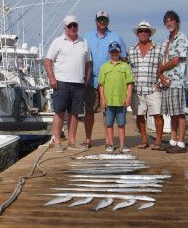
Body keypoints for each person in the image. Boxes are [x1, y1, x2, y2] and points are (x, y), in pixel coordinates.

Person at [44, 15, 91, 152]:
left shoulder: (84, 42)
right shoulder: (58, 42)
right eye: (70, 26)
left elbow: (88, 63)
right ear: (64, 27)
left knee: (74, 113)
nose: (72, 28)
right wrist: (52, 79)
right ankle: (57, 141)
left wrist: (86, 80)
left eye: (74, 25)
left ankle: (71, 141)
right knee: (59, 112)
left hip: (78, 83)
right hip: (61, 82)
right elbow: (47, 61)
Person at [84, 10, 127, 148]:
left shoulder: (116, 36)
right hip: (91, 80)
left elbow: (124, 59)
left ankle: (108, 141)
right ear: (95, 21)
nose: (102, 22)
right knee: (89, 111)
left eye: (105, 20)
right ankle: (88, 139)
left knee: (106, 111)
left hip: (110, 82)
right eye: (100, 19)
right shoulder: (87, 37)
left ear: (108, 21)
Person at [127, 21, 164, 150]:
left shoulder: (159, 48)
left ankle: (158, 141)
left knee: (158, 115)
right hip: (137, 89)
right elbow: (128, 69)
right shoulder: (131, 50)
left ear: (150, 33)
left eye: (146, 31)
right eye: (141, 31)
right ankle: (144, 140)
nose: (143, 33)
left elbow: (162, 67)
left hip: (153, 88)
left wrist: (159, 83)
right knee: (139, 115)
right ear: (137, 33)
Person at [158, 10, 188, 153]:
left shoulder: (182, 38)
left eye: (171, 20)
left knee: (180, 113)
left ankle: (181, 143)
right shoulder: (165, 41)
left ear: (177, 22)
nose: (169, 23)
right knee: (172, 113)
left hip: (176, 81)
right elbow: (161, 61)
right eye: (166, 21)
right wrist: (161, 76)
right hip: (166, 83)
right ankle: (173, 140)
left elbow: (176, 60)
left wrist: (160, 71)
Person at [99, 41, 133, 153]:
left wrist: (128, 97)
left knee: (121, 124)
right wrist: (102, 99)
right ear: (109, 53)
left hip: (121, 101)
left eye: (116, 52)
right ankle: (110, 144)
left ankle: (122, 145)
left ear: (120, 52)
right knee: (109, 124)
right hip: (109, 101)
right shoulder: (104, 67)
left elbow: (129, 83)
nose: (114, 54)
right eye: (112, 52)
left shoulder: (125, 66)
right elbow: (101, 85)